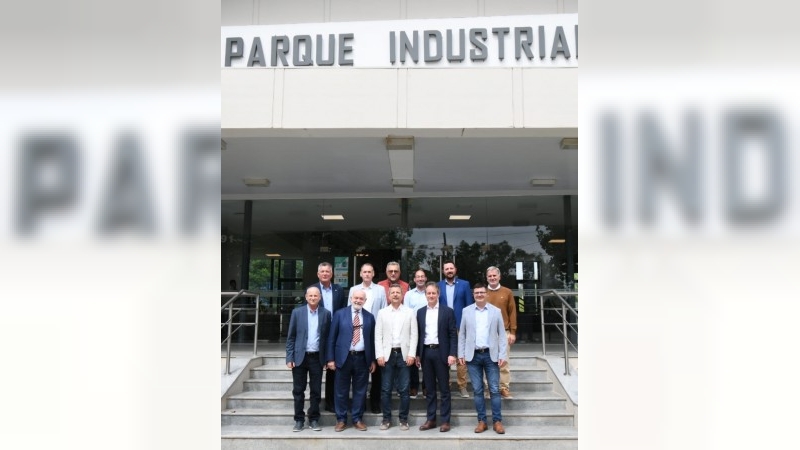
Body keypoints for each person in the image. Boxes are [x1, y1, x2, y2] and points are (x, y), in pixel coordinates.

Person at [458, 282, 508, 434]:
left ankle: (497, 421)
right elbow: (462, 334)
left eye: (481, 292)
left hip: (491, 355)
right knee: (478, 390)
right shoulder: (466, 311)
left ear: (486, 294)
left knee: (494, 389)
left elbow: (502, 335)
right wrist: (461, 353)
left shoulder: (495, 311)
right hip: (473, 356)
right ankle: (482, 421)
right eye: (476, 293)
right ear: (473, 295)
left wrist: (502, 354)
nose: (479, 295)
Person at [326, 289, 376, 432]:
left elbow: (371, 340)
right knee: (341, 391)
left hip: (362, 358)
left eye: (361, 299)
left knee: (360, 391)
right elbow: (331, 338)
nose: (358, 301)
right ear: (351, 298)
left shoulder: (370, 317)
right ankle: (341, 420)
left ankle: (357, 419)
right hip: (343, 358)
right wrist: (330, 359)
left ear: (365, 301)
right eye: (356, 298)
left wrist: (372, 360)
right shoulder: (339, 314)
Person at [285, 286, 332, 432]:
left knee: (316, 391)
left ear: (320, 297)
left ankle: (314, 419)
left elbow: (327, 338)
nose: (313, 298)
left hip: (317, 358)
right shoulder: (297, 313)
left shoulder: (326, 313)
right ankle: (299, 420)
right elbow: (291, 337)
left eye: (315, 296)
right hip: (300, 357)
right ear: (306, 297)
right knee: (298, 390)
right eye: (310, 295)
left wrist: (327, 358)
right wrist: (289, 357)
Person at [374, 284, 418, 431]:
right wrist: (379, 354)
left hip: (404, 354)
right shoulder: (382, 313)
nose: (395, 295)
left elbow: (414, 335)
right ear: (388, 295)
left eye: (398, 292)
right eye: (392, 292)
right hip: (387, 355)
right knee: (386, 389)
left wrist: (412, 354)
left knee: (404, 389)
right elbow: (378, 335)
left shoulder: (410, 312)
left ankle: (403, 419)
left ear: (402, 294)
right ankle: (386, 419)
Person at [416, 282, 457, 432]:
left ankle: (445, 421)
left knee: (444, 389)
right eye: (429, 293)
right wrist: (417, 354)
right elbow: (418, 335)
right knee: (429, 389)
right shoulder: (420, 312)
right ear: (425, 295)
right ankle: (431, 419)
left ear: (438, 294)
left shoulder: (448, 311)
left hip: (442, 353)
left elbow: (453, 334)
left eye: (434, 293)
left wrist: (452, 353)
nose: (431, 295)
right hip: (426, 353)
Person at [348, 263, 386, 414]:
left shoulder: (380, 290)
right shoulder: (354, 289)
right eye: (364, 272)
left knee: (376, 370)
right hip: (357, 333)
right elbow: (349, 311)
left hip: (375, 332)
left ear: (373, 274)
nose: (367, 274)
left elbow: (383, 309)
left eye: (370, 272)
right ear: (360, 274)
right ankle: (360, 404)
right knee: (360, 371)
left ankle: (375, 402)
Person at [311, 262, 347, 412]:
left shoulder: (339, 290)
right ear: (318, 274)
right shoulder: (312, 290)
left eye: (327, 271)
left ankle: (330, 402)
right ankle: (315, 403)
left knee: (333, 370)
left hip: (335, 334)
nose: (325, 274)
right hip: (318, 334)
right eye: (322, 271)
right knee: (317, 371)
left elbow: (343, 310)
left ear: (332, 274)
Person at [437, 261, 474, 398]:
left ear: (455, 269)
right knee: (444, 355)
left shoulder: (464, 284)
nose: (449, 270)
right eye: (446, 269)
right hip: (443, 326)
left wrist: (469, 325)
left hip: (460, 325)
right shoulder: (438, 285)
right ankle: (445, 384)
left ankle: (462, 386)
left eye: (451, 268)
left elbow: (469, 306)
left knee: (461, 357)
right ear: (443, 271)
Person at [485, 266, 517, 399]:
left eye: (494, 275)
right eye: (490, 276)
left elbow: (512, 312)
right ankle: (489, 388)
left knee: (504, 361)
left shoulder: (507, 292)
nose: (492, 278)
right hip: (486, 333)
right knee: (488, 362)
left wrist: (513, 332)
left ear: (499, 277)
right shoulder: (483, 292)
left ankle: (504, 388)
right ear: (487, 278)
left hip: (504, 331)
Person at [403, 268, 428, 398]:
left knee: (425, 357)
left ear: (426, 278)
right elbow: (406, 311)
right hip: (412, 327)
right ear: (414, 279)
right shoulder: (409, 294)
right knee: (412, 356)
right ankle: (413, 387)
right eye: (418, 277)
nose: (420, 279)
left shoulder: (430, 292)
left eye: (422, 276)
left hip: (427, 327)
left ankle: (426, 387)